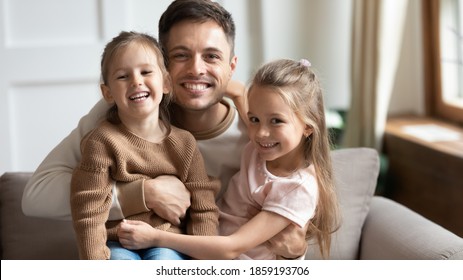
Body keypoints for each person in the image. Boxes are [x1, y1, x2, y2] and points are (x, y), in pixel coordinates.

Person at [22, 0, 308, 259]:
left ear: (232, 65)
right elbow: (35, 196)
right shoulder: (120, 117)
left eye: (211, 57)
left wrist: (295, 253)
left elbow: (293, 215)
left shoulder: (259, 135)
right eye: (181, 55)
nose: (196, 69)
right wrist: (141, 193)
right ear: (163, 68)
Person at [117, 59, 341, 260]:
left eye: (276, 121)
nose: (260, 133)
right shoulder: (263, 144)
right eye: (253, 119)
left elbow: (231, 247)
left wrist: (154, 238)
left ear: (308, 128)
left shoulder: (297, 188)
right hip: (204, 245)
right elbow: (240, 94)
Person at [71, 31, 220, 260]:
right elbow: (89, 212)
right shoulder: (101, 141)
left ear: (166, 83)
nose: (136, 81)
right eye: (123, 76)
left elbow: (203, 208)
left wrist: (203, 262)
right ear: (107, 92)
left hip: (168, 243)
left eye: (146, 72)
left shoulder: (184, 143)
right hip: (116, 242)